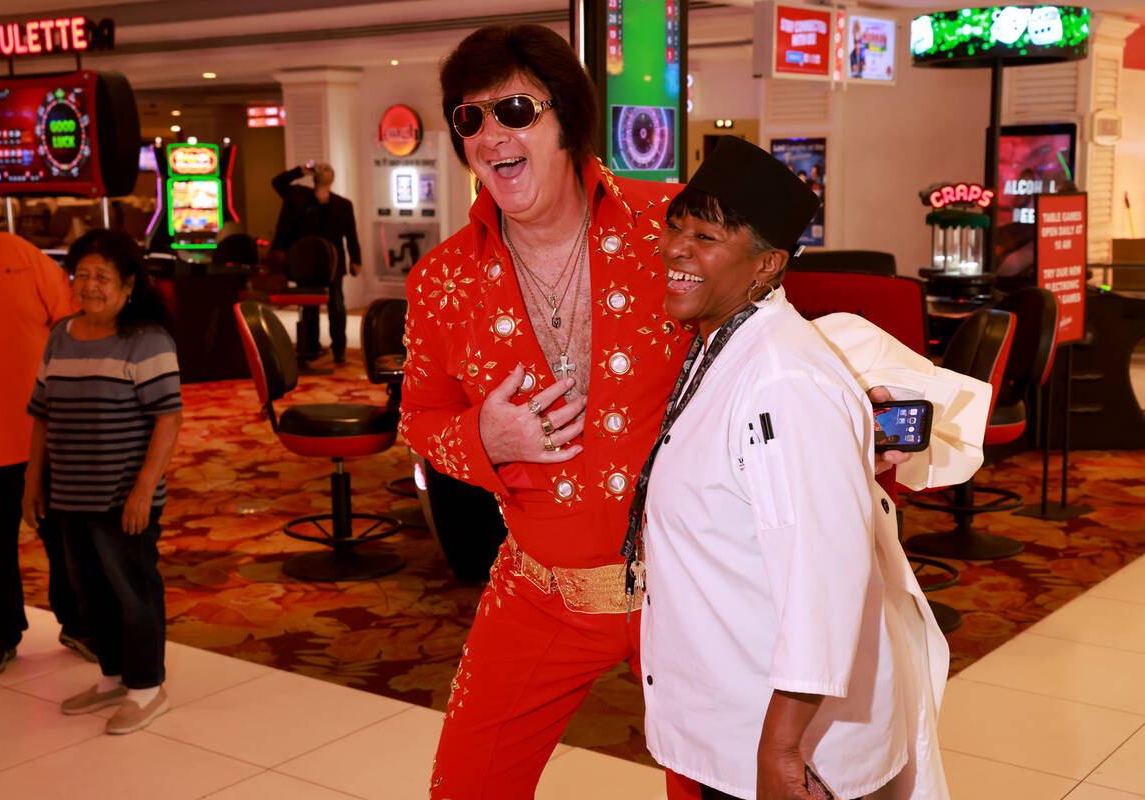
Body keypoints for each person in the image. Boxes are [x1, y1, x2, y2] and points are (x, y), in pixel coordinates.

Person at [401, 25, 981, 799]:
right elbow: (422, 420)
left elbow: (770, 340)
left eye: (514, 110)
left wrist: (848, 412)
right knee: (465, 786)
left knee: (717, 783)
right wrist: (483, 436)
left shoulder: (666, 228)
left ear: (567, 117)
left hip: (690, 586)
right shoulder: (442, 281)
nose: (491, 136)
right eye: (469, 119)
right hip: (540, 587)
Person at [636, 137, 964, 799]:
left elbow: (825, 581)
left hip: (785, 742)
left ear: (766, 266)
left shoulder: (780, 380)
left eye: (704, 235)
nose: (675, 247)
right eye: (675, 226)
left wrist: (782, 749)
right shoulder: (721, 343)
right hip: (735, 712)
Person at [23, 229, 182, 735]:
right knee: (89, 590)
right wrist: (33, 479)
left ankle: (147, 687)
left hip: (123, 496)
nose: (89, 286)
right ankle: (114, 675)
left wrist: (144, 488)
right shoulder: (62, 335)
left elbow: (167, 419)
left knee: (133, 590)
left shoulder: (147, 340)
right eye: (82, 275)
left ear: (129, 284)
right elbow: (42, 413)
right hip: (71, 491)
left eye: (102, 277)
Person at [0, 172, 92, 676]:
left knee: (67, 540)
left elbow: (69, 322)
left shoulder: (16, 252)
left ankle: (79, 622)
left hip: (42, 436)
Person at [272, 162, 362, 363]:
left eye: (328, 168)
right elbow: (277, 182)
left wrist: (356, 260)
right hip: (306, 265)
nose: (323, 169)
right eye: (320, 168)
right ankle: (310, 347)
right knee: (309, 307)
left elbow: (352, 236)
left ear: (333, 177)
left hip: (333, 264)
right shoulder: (298, 197)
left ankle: (339, 348)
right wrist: (300, 171)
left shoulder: (343, 204)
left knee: (336, 306)